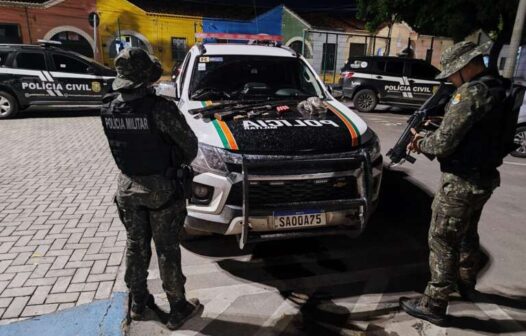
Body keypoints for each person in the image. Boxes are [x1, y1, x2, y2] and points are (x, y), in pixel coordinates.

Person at [399, 41, 510, 325]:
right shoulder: (497, 86)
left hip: (461, 181)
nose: (449, 78)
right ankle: (466, 282)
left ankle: (434, 303)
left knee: (442, 238)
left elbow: (443, 144)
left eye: (451, 73)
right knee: (467, 232)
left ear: (465, 67)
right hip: (484, 178)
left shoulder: (471, 92)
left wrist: (421, 141)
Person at [100, 47, 200, 330]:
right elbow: (190, 147)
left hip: (127, 188)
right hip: (162, 190)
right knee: (167, 248)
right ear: (146, 80)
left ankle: (138, 303)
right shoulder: (160, 109)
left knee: (135, 247)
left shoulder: (107, 106)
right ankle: (178, 306)